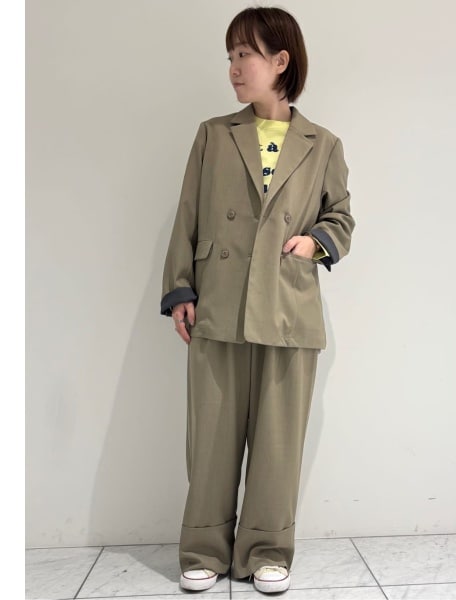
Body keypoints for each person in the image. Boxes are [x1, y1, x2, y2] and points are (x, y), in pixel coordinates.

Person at [160, 6, 355, 594]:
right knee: (212, 437)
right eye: (230, 56)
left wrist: (314, 242)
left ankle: (268, 549)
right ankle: (204, 549)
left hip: (288, 308)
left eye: (245, 54)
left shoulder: (323, 144)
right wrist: (180, 289)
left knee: (277, 443)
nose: (234, 68)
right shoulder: (214, 134)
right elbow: (188, 214)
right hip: (218, 304)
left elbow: (341, 217)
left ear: (281, 61)